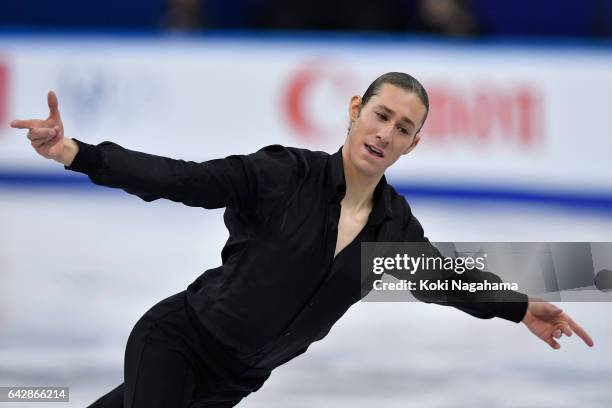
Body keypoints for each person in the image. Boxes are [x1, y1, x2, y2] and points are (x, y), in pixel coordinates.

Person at [10, 72, 594, 408]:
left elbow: (445, 281)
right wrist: (75, 153)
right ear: (355, 110)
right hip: (179, 342)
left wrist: (519, 308)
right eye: (381, 115)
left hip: (234, 380)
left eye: (403, 127)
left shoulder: (392, 228)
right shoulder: (283, 175)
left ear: (413, 145)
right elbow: (183, 179)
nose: (386, 133)